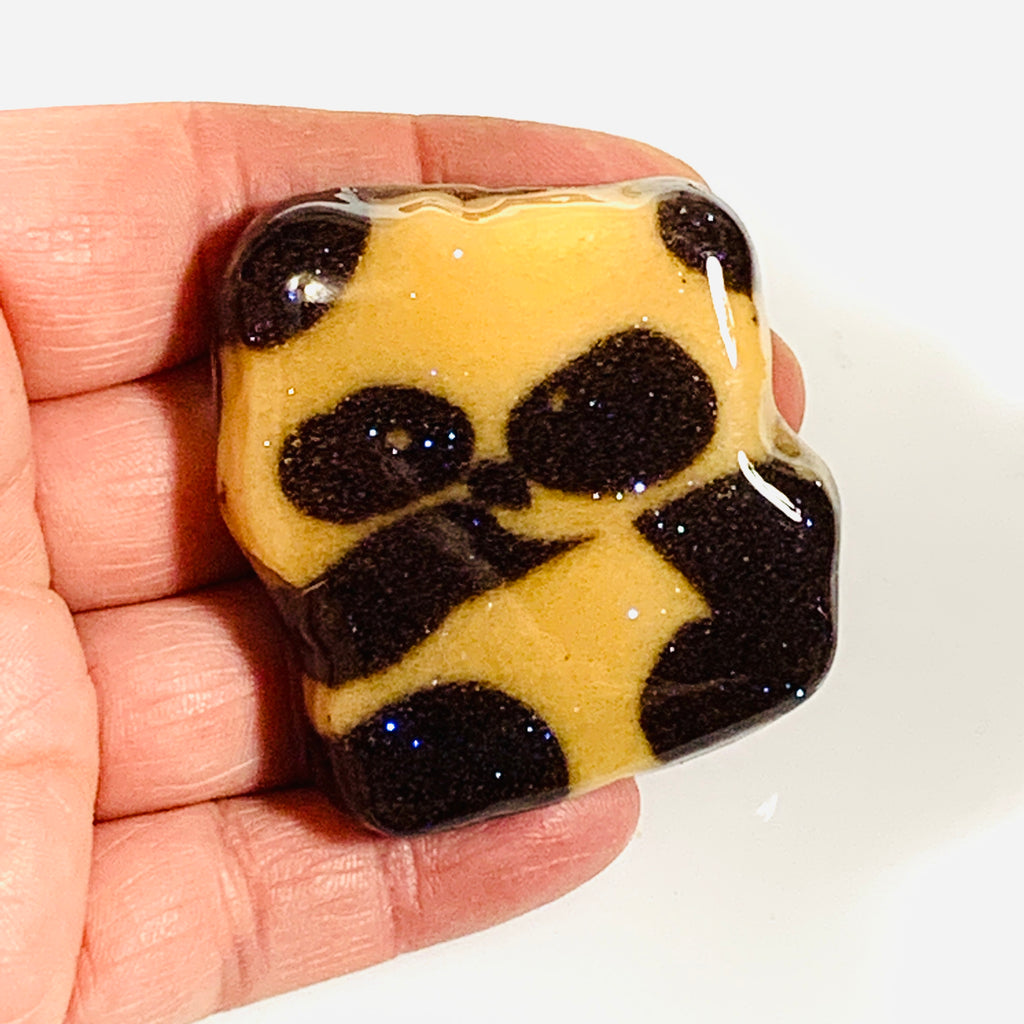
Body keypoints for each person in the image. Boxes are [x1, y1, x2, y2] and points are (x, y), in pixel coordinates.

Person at [0, 103, 806, 1024]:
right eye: (411, 447)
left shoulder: (716, 513)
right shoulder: (359, 534)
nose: (498, 477)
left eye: (590, 417)